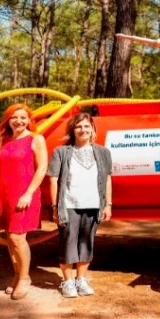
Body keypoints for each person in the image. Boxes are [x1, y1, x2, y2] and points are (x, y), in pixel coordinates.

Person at [47, 113, 112, 298]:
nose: (82, 130)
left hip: (93, 205)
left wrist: (108, 204)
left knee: (87, 242)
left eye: (86, 126)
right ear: (72, 130)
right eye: (78, 127)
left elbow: (107, 179)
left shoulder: (103, 152)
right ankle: (68, 281)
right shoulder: (61, 152)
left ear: (92, 129)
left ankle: (81, 280)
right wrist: (55, 207)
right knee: (68, 242)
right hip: (69, 205)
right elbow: (53, 181)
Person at [0, 104, 48, 300]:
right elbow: (3, 169)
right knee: (10, 238)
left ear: (29, 120)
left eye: (23, 118)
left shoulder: (36, 139)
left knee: (18, 238)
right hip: (5, 193)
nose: (19, 121)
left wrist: (28, 193)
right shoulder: (5, 140)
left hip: (25, 194)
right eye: (14, 117)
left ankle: (25, 278)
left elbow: (42, 168)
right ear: (8, 119)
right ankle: (16, 275)